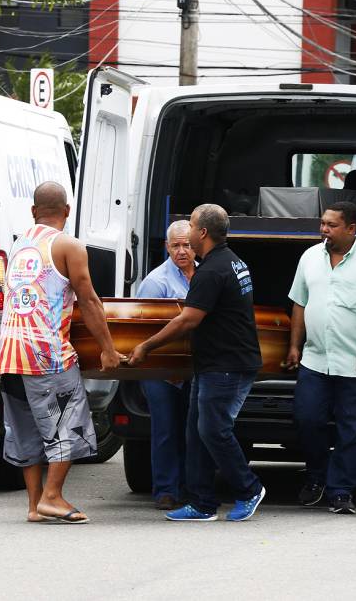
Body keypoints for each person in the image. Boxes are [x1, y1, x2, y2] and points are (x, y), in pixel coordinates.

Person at [128, 204, 265, 522]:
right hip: (213, 363)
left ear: (202, 232)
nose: (186, 233)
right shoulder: (233, 262)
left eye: (190, 226)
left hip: (226, 364)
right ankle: (202, 502)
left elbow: (188, 319)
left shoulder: (212, 270)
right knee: (197, 431)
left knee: (213, 430)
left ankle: (249, 489)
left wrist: (146, 347)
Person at [0, 181, 122, 525]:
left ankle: (35, 504)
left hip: (9, 354)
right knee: (68, 422)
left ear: (34, 212)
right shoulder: (68, 245)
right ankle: (53, 497)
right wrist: (108, 350)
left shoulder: (20, 244)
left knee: (28, 429)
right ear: (67, 211)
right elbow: (90, 300)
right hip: (45, 354)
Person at [285, 201, 356, 515]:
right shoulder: (310, 258)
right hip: (314, 360)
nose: (324, 230)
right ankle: (316, 477)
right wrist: (295, 346)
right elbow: (299, 304)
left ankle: (340, 491)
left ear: (351, 228)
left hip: (355, 363)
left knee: (352, 430)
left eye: (331, 225)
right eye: (322, 223)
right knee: (307, 420)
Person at [136, 220, 195, 511]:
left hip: (193, 367)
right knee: (166, 429)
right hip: (159, 368)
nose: (182, 251)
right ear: (167, 247)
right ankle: (165, 490)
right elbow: (140, 329)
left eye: (187, 245)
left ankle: (189, 486)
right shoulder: (155, 281)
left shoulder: (204, 274)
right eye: (176, 246)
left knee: (191, 428)